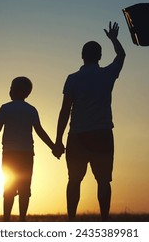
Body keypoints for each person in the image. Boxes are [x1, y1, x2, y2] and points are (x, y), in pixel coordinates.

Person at [54, 21, 126, 221]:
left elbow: (64, 111)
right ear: (100, 56)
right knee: (103, 181)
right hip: (102, 135)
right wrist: (114, 39)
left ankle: (71, 220)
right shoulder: (106, 74)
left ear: (82, 56)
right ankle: (104, 220)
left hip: (77, 136)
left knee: (74, 181)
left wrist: (58, 140)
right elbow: (121, 56)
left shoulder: (72, 79)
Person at [0, 76, 58, 222]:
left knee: (9, 188)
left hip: (9, 155)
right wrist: (53, 147)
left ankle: (6, 219)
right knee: (25, 189)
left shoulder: (5, 108)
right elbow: (40, 131)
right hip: (26, 154)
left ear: (15, 90)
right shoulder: (31, 110)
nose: (10, 90)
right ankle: (22, 219)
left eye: (11, 87)